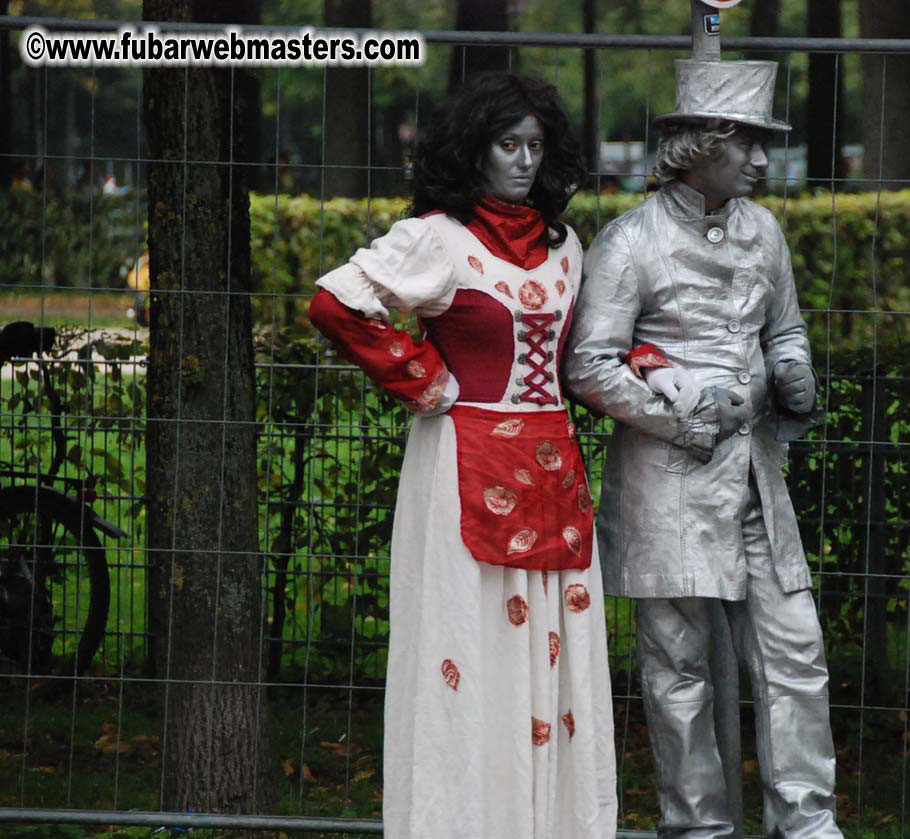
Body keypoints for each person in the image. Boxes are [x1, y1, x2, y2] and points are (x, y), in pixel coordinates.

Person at [307, 73, 616, 839]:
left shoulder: (566, 246)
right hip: (461, 463)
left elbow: (580, 350)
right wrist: (420, 376)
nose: (521, 160)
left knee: (554, 648)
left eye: (534, 146)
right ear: (472, 150)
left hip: (553, 470)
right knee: (465, 640)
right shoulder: (437, 240)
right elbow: (336, 301)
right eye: (506, 145)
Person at [563, 59, 843, 839]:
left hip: (756, 475)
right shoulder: (630, 241)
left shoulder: (765, 231)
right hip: (667, 478)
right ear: (699, 145)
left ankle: (808, 821)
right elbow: (589, 363)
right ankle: (697, 826)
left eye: (763, 143)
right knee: (677, 665)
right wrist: (679, 419)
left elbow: (783, 326)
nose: (760, 159)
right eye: (746, 142)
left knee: (793, 648)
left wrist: (792, 369)